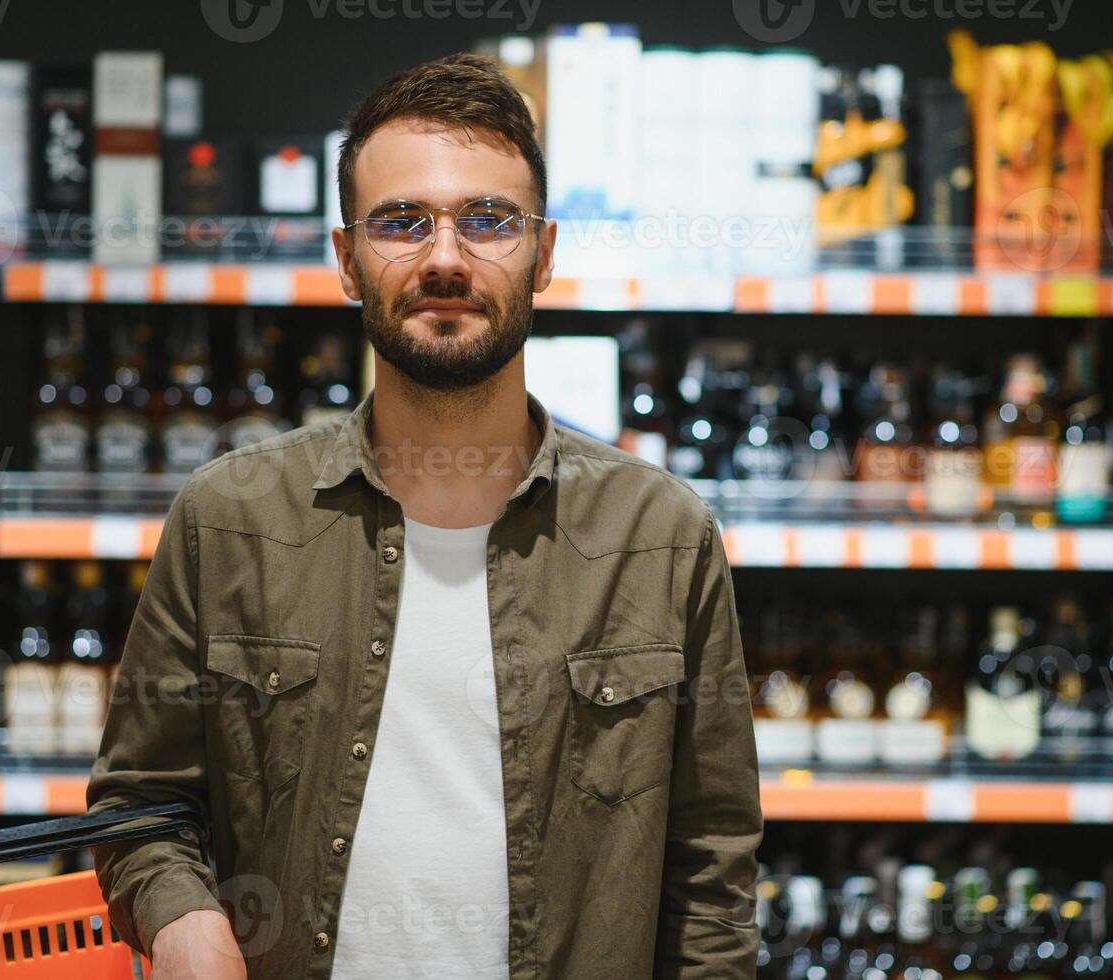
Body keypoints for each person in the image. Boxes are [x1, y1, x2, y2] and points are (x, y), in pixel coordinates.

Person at [87, 52, 762, 980]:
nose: (445, 257)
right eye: (401, 221)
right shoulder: (227, 521)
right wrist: (179, 919)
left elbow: (710, 877)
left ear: (545, 253)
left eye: (488, 220)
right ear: (346, 261)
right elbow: (139, 805)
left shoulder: (661, 535)